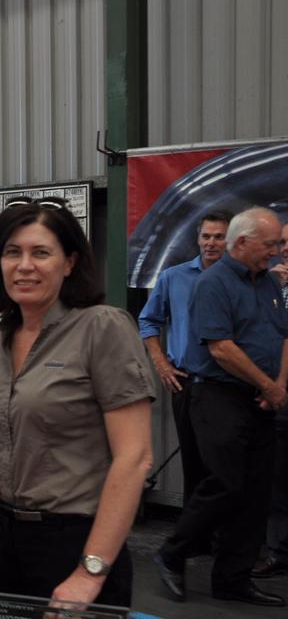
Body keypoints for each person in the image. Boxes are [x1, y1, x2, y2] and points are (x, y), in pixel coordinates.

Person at [0, 196, 154, 607]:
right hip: (2, 535)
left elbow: (135, 457)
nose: (24, 265)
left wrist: (90, 571)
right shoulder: (8, 334)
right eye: (12, 252)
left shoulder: (101, 327)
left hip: (72, 538)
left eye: (41, 252)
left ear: (69, 262)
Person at [155, 207, 288, 606]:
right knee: (225, 484)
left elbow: (283, 337)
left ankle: (233, 578)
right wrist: (267, 384)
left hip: (261, 399)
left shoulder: (269, 285)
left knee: (255, 493)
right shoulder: (212, 284)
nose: (278, 252)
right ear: (243, 243)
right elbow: (221, 348)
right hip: (218, 396)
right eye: (272, 244)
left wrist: (277, 386)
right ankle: (172, 552)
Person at [137, 210, 230, 504]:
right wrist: (161, 363)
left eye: (219, 237)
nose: (211, 243)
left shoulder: (243, 279)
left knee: (227, 466)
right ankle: (195, 538)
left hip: (232, 386)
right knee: (194, 462)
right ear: (197, 238)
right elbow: (149, 320)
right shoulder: (173, 277)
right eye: (206, 236)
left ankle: (226, 540)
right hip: (188, 385)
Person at [255, 220, 288, 578]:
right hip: (280, 393)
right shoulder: (271, 286)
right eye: (281, 242)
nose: (284, 249)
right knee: (278, 480)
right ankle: (278, 551)